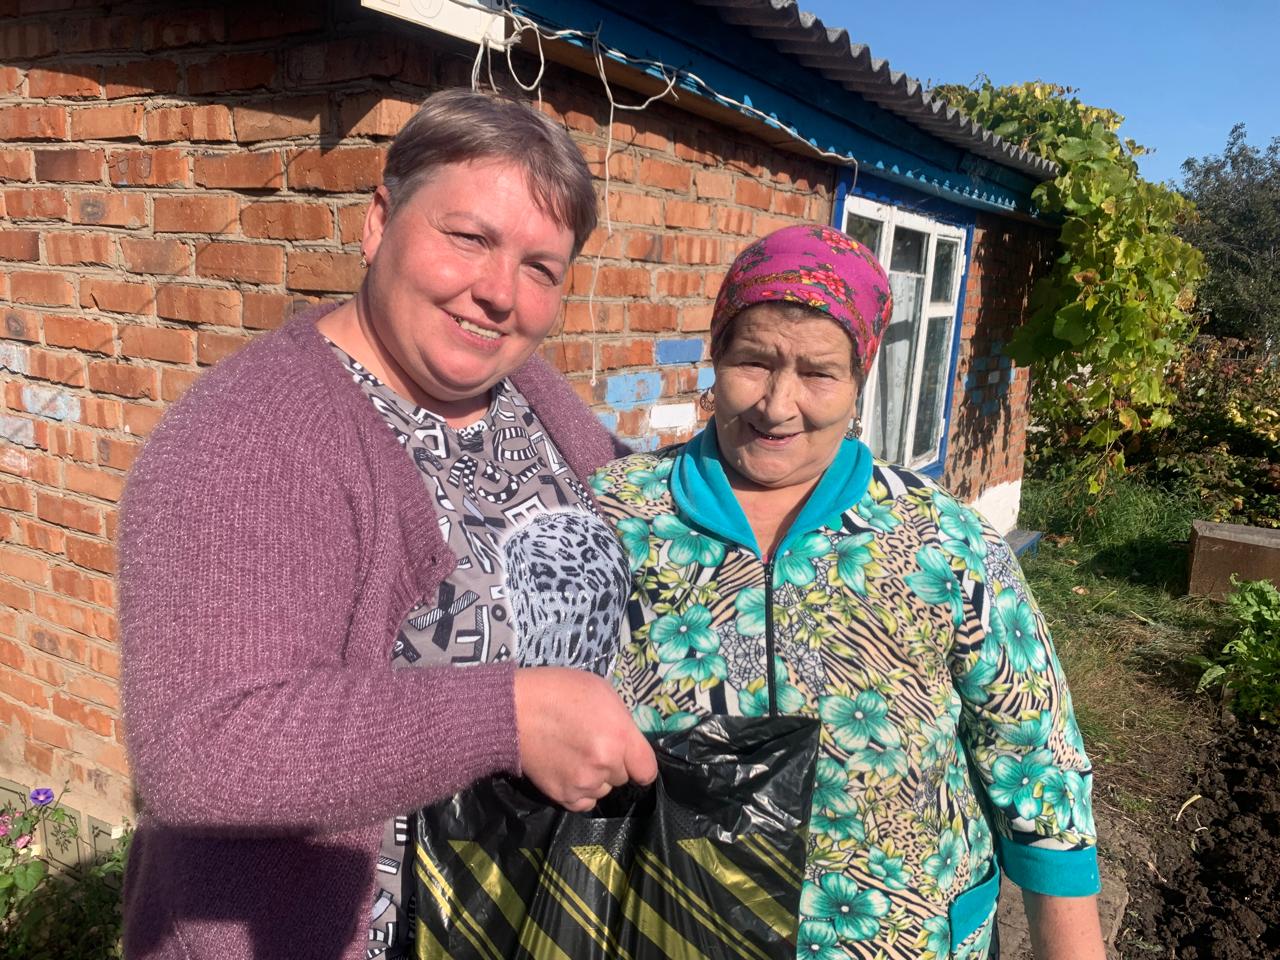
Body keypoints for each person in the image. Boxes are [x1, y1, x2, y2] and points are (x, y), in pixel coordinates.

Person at [118, 88, 656, 960]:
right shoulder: (251, 434)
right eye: (469, 237)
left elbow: (645, 518)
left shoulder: (527, 392)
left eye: (541, 268)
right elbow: (202, 749)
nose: (499, 293)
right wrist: (508, 718)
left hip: (531, 914)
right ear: (378, 221)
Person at [592, 225, 1106, 960]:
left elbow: (1035, 755)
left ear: (860, 380)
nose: (777, 404)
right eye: (753, 362)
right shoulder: (611, 521)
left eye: (819, 373)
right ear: (716, 357)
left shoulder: (942, 538)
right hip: (669, 931)